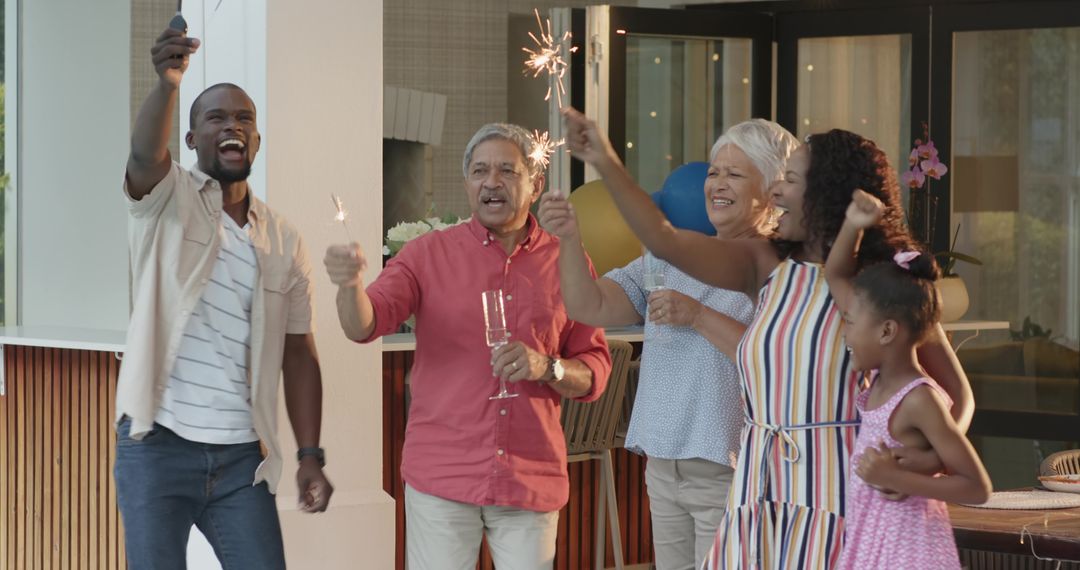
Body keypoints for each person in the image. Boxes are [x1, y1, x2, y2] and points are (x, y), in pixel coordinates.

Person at [560, 108, 974, 569]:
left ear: (827, 194)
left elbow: (953, 396)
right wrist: (604, 159)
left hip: (834, 489)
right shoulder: (766, 263)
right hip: (758, 488)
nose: (777, 190)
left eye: (790, 179)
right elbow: (666, 242)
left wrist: (920, 463)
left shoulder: (886, 281)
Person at [323, 123, 612, 570]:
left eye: (506, 171)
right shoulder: (424, 254)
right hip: (442, 474)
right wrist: (349, 286)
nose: (491, 182)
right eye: (480, 171)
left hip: (529, 476)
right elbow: (365, 324)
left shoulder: (566, 259)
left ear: (535, 185)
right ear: (466, 185)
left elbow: (594, 371)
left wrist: (547, 367)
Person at [114, 26, 332, 570]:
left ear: (256, 141)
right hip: (157, 446)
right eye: (215, 118)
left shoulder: (283, 238)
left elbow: (299, 351)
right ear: (191, 141)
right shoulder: (168, 199)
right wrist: (168, 86)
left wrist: (309, 455)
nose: (232, 126)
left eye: (244, 120)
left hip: (242, 459)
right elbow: (144, 154)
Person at [539, 119, 797, 570]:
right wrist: (569, 240)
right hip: (662, 460)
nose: (717, 184)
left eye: (734, 174)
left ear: (773, 189)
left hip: (732, 464)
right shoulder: (671, 257)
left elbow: (773, 361)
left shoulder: (779, 269)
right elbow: (589, 305)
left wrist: (696, 315)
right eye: (714, 172)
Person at [828, 190, 991, 569]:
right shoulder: (875, 386)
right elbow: (835, 273)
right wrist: (853, 223)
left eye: (850, 324)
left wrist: (899, 479)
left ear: (886, 332)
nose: (845, 334)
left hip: (911, 553)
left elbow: (976, 486)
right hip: (874, 545)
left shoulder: (918, 399)